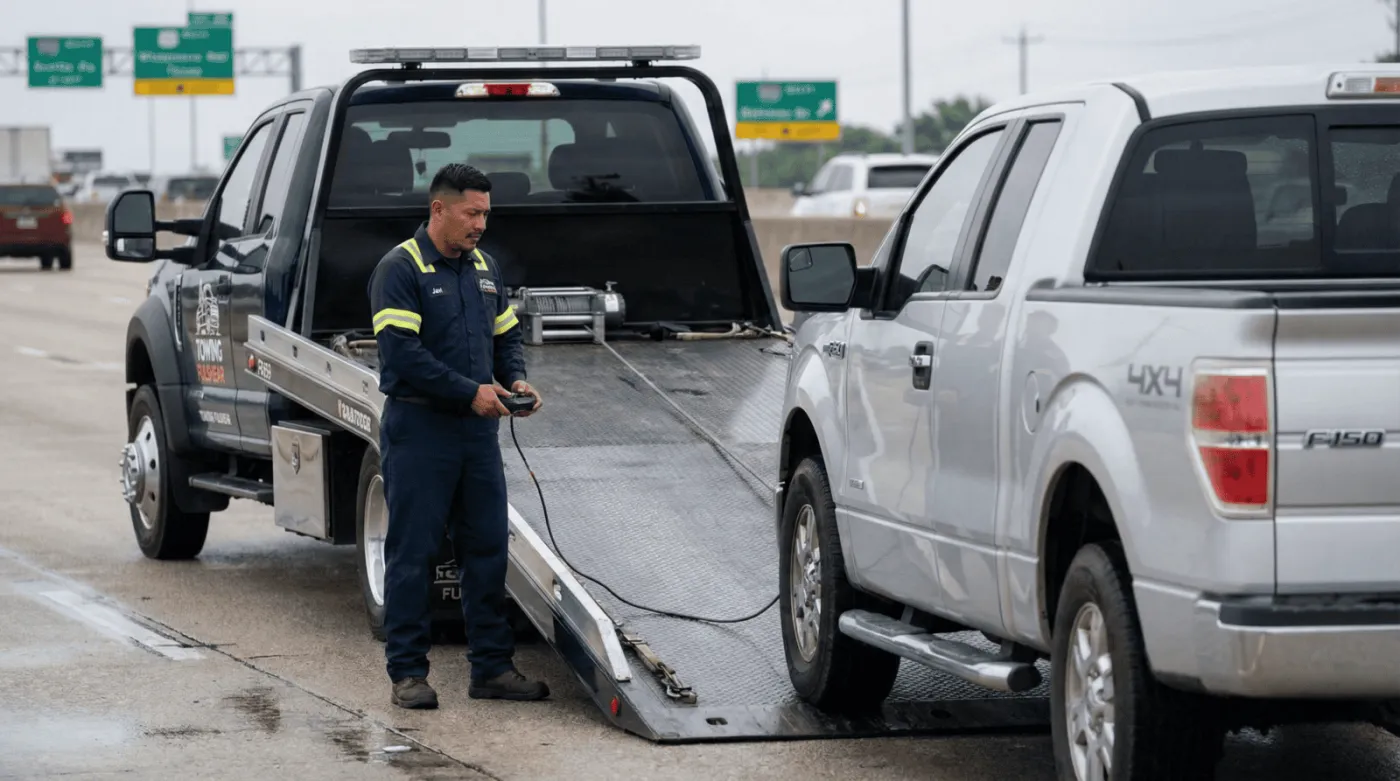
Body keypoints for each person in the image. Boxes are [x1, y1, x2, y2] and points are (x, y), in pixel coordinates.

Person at [367, 162, 548, 709]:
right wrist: (471, 391)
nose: (480, 225)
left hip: (477, 434)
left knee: (487, 549)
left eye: (486, 214)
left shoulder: (485, 268)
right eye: (471, 213)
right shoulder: (401, 268)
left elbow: (505, 335)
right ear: (439, 209)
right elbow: (402, 356)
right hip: (420, 431)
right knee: (413, 554)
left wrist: (515, 378)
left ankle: (491, 669)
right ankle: (407, 674)